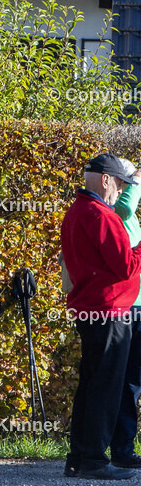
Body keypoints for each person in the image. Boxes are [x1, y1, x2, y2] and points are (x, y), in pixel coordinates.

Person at [61, 153, 141, 480]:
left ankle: (80, 456)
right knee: (105, 386)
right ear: (106, 180)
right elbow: (126, 266)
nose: (118, 190)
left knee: (92, 384)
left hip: (92, 308)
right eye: (119, 184)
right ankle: (93, 457)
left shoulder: (78, 210)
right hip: (110, 310)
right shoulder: (100, 214)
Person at [109, 157, 141, 469]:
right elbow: (127, 206)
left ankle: (123, 447)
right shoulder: (116, 211)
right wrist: (137, 178)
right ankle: (121, 448)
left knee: (133, 381)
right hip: (128, 307)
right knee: (127, 382)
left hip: (138, 304)